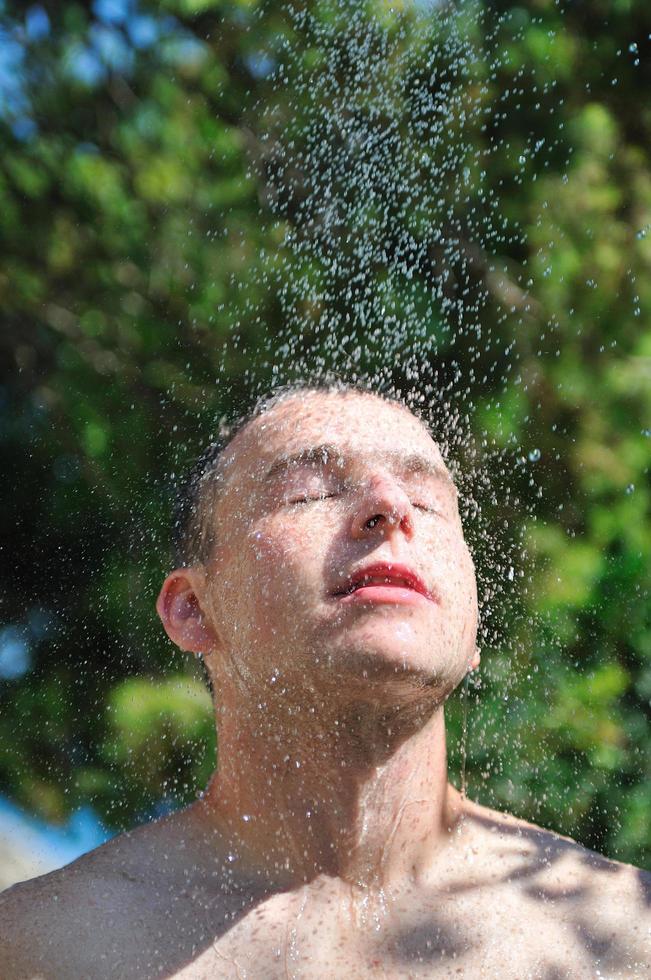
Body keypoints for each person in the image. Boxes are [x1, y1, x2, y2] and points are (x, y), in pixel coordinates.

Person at [1, 382, 649, 979]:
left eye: (428, 499)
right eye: (308, 492)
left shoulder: (625, 939)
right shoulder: (48, 947)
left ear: (472, 630)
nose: (392, 507)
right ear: (193, 609)